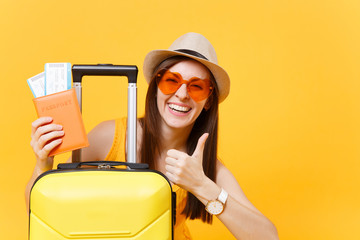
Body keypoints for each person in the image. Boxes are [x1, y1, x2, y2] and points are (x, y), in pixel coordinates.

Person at [25, 32, 279, 239]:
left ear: (209, 100)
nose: (181, 94)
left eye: (196, 86)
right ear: (156, 86)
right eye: (171, 81)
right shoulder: (109, 136)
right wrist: (43, 163)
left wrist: (203, 186)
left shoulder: (205, 165)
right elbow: (36, 214)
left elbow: (268, 237)